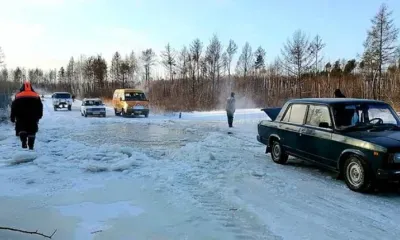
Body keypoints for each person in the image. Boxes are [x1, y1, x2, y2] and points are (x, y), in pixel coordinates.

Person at [10, 81, 43, 150]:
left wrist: (12, 117)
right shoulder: (36, 96)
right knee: (32, 131)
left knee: (22, 130)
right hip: (33, 117)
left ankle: (24, 142)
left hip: (20, 117)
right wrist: (39, 115)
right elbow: (40, 106)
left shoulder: (18, 96)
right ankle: (31, 146)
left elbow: (13, 107)